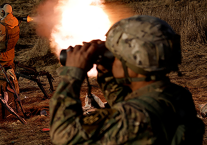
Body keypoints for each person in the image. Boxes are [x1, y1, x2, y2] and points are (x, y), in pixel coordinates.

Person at [49, 15, 205, 144]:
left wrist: (73, 74)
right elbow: (125, 102)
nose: (113, 60)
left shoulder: (136, 116)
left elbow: (62, 133)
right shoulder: (177, 96)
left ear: (135, 62)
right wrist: (105, 69)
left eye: (116, 57)